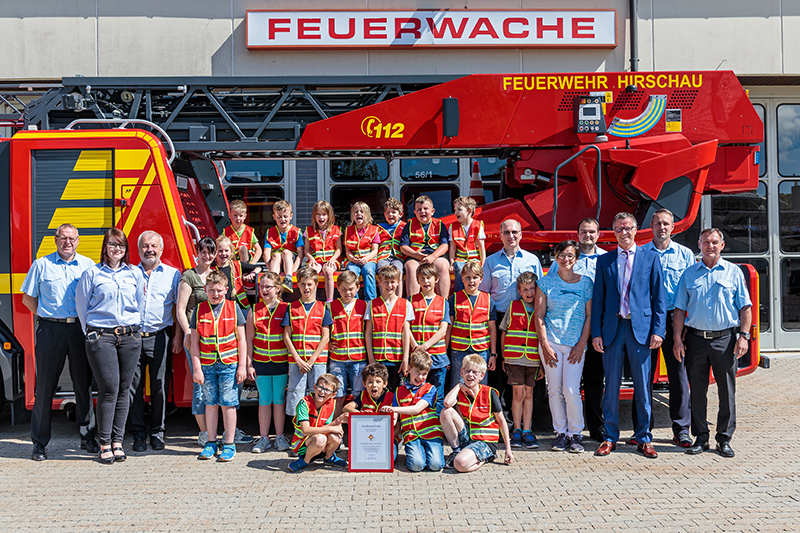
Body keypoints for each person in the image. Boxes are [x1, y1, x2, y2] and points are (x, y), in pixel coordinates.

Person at [591, 213, 666, 459]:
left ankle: (644, 438)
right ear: (613, 231)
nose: (624, 233)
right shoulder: (605, 261)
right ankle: (610, 437)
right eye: (619, 229)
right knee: (610, 386)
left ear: (636, 230)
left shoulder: (651, 258)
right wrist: (596, 333)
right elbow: (599, 300)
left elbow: (659, 299)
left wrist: (658, 330)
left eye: (628, 228)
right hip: (613, 329)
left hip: (641, 330)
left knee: (643, 387)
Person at [22, 223, 98, 461]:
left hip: (79, 328)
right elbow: (28, 299)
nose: (68, 242)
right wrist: (46, 317)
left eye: (72, 238)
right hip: (51, 329)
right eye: (63, 238)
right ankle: (40, 444)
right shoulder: (41, 265)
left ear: (78, 240)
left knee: (83, 385)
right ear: (56, 240)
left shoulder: (88, 265)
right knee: (45, 387)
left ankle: (88, 438)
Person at [673, 228, 752, 458]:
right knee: (697, 392)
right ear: (699, 244)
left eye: (714, 242)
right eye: (706, 242)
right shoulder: (689, 274)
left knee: (726, 392)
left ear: (722, 245)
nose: (710, 246)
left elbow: (745, 307)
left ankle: (724, 439)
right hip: (696, 340)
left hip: (725, 340)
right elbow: (679, 309)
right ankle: (701, 437)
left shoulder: (733, 272)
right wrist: (677, 339)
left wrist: (744, 336)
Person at [76, 228, 145, 464]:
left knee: (125, 390)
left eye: (121, 245)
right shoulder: (92, 273)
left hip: (129, 336)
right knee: (109, 389)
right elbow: (82, 306)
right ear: (105, 247)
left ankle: (118, 442)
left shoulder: (134, 273)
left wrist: (136, 329)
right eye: (113, 245)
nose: (117, 249)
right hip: (101, 337)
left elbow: (140, 303)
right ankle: (104, 443)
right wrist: (91, 334)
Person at [638, 209, 696, 448]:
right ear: (651, 226)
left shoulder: (685, 255)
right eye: (658, 223)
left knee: (679, 376)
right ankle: (643, 429)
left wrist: (684, 327)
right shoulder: (640, 254)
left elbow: (692, 291)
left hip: (676, 318)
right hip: (647, 319)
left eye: (666, 224)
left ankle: (681, 429)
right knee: (644, 377)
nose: (662, 227)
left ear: (673, 227)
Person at [479, 217, 543, 428]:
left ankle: (526, 424)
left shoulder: (532, 260)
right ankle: (502, 422)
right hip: (500, 320)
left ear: (521, 234)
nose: (511, 236)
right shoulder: (490, 261)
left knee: (529, 376)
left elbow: (540, 291)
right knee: (500, 374)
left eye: (515, 232)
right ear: (500, 236)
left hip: (528, 320)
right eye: (506, 232)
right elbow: (484, 293)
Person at [550, 218, 607, 442]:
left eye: (592, 232)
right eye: (583, 232)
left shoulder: (605, 259)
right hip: (567, 330)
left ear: (598, 234)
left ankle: (595, 427)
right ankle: (566, 429)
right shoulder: (566, 257)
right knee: (567, 383)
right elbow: (552, 288)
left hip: (596, 326)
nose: (588, 236)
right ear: (577, 233)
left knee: (594, 377)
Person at [535, 240, 593, 453]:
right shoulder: (545, 283)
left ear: (576, 259)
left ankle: (576, 433)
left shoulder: (585, 283)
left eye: (570, 255)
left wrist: (581, 345)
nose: (565, 259)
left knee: (571, 390)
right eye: (562, 254)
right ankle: (560, 433)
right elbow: (539, 316)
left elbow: (588, 317)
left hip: (574, 346)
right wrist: (545, 345)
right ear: (555, 256)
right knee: (554, 390)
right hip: (551, 344)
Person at [129, 231, 182, 453]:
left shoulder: (173, 275)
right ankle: (138, 435)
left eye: (153, 246)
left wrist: (178, 337)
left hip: (160, 336)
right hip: (131, 338)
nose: (149, 249)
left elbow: (178, 308)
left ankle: (157, 433)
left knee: (160, 386)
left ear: (161, 249)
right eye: (144, 246)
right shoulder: (129, 273)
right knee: (134, 388)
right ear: (139, 249)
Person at [191, 270, 247, 462]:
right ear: (205, 290)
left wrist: (242, 366)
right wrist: (197, 368)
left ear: (226, 290)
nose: (215, 294)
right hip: (207, 366)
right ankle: (211, 442)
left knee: (229, 404)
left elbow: (242, 339)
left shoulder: (233, 308)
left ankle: (229, 444)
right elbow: (195, 343)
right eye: (211, 290)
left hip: (229, 365)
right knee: (210, 403)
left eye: (219, 290)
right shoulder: (199, 310)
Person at [441, 354, 514, 472]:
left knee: (460, 464)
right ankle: (456, 450)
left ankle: (486, 458)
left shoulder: (489, 393)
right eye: (467, 371)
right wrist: (459, 385)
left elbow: (502, 422)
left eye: (475, 372)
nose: (470, 375)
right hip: (469, 437)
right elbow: (447, 403)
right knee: (446, 412)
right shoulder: (460, 392)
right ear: (461, 372)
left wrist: (508, 450)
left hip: (485, 441)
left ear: (481, 376)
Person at [175, 236, 215, 446]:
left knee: (214, 385)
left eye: (211, 252)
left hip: (215, 341)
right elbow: (180, 310)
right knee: (200, 386)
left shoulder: (215, 276)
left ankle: (215, 430)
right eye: (203, 252)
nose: (207, 256)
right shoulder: (189, 276)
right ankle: (204, 432)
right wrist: (188, 334)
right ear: (196, 253)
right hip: (196, 341)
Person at [246, 272, 292, 453]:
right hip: (261, 362)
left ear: (278, 288)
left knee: (279, 399)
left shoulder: (286, 308)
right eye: (261, 287)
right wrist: (249, 364)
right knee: (264, 400)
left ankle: (280, 436)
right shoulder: (253, 310)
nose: (264, 290)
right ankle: (264, 438)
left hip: (281, 362)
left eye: (268, 287)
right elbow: (249, 340)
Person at [381, 349, 445, 472]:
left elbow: (416, 409)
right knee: (416, 466)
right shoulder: (399, 392)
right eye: (417, 372)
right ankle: (416, 454)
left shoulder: (430, 389)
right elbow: (395, 417)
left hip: (431, 434)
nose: (420, 377)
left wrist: (392, 408)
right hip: (411, 435)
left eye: (424, 374)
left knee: (435, 465)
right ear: (409, 369)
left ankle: (426, 454)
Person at [498, 272, 541, 449]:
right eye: (525, 289)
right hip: (514, 358)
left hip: (533, 359)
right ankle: (516, 429)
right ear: (519, 291)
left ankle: (527, 430)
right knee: (518, 394)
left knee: (529, 394)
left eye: (532, 289)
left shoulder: (541, 307)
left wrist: (544, 364)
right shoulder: (513, 306)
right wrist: (503, 356)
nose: (529, 293)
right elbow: (504, 332)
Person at [283, 266, 332, 419]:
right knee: (296, 396)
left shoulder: (323, 308)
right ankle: (298, 432)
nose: (306, 288)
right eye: (303, 284)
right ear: (297, 285)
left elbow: (326, 337)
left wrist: (311, 360)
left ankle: (315, 428)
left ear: (316, 285)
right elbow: (286, 336)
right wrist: (298, 360)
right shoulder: (291, 308)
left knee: (318, 395)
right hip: (297, 362)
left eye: (310, 284)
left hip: (317, 362)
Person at [448, 260, 497, 389]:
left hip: (481, 350)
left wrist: (493, 354)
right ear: (462, 279)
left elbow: (492, 329)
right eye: (468, 277)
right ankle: (457, 410)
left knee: (479, 387)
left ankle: (477, 410)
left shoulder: (488, 299)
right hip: (459, 350)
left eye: (475, 277)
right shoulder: (454, 298)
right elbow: (449, 328)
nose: (471, 281)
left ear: (481, 279)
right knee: (457, 386)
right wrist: (444, 352)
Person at [365, 265, 414, 391]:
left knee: (397, 392)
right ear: (379, 282)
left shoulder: (406, 304)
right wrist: (371, 358)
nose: (389, 285)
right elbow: (369, 332)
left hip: (397, 359)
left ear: (398, 282)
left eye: (392, 282)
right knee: (380, 393)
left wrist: (405, 359)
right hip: (378, 358)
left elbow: (406, 333)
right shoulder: (372, 304)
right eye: (386, 282)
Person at [409, 263, 450, 414]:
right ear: (417, 281)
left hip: (437, 356)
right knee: (417, 394)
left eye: (429, 278)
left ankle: (436, 427)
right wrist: (416, 347)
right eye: (422, 278)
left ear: (437, 279)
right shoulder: (410, 301)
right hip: (417, 356)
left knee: (438, 396)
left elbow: (443, 329)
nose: (426, 282)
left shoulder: (443, 302)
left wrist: (424, 346)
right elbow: (406, 327)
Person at [288, 373, 348, 472]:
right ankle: (304, 461)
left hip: (317, 439)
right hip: (302, 442)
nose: (323, 392)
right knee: (321, 439)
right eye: (320, 387)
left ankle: (328, 458)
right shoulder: (304, 404)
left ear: (333, 395)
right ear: (315, 387)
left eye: (327, 390)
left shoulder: (332, 404)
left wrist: (338, 421)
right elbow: (306, 430)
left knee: (336, 437)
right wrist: (331, 428)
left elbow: (324, 426)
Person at [328, 270, 368, 417]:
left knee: (359, 396)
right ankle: (336, 428)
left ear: (357, 288)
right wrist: (327, 344)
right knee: (338, 395)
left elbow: (369, 332)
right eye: (343, 289)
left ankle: (359, 428)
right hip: (337, 360)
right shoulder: (331, 307)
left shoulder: (363, 306)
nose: (347, 292)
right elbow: (323, 330)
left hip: (358, 359)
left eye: (351, 289)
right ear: (337, 288)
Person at [399, 195, 451, 298]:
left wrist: (433, 256)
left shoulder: (440, 225)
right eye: (419, 209)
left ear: (432, 211)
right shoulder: (409, 225)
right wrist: (416, 255)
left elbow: (445, 245)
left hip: (435, 256)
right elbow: (403, 247)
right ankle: (412, 303)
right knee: (411, 267)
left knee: (443, 265)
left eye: (425, 208)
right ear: (414, 212)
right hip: (415, 256)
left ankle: (443, 303)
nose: (422, 211)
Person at [304, 200, 342, 302]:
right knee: (313, 273)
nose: (321, 218)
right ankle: (312, 300)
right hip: (316, 261)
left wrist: (333, 259)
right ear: (314, 216)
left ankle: (329, 301)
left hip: (331, 260)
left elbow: (339, 249)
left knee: (328, 272)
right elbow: (306, 250)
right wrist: (311, 259)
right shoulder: (309, 230)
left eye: (324, 214)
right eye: (318, 214)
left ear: (329, 216)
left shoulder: (336, 230)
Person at [264, 200, 304, 293]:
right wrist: (269, 267)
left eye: (285, 216)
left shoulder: (296, 232)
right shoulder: (270, 232)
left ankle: (288, 279)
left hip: (291, 263)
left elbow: (300, 252)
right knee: (276, 255)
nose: (283, 219)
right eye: (279, 217)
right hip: (276, 263)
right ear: (274, 217)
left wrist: (294, 269)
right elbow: (266, 253)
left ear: (291, 216)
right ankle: (273, 281)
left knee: (286, 252)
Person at [343, 201, 380, 302]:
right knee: (351, 274)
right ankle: (354, 302)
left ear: (367, 215)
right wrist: (352, 259)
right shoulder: (348, 230)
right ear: (352, 216)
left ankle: (370, 301)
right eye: (356, 212)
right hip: (353, 261)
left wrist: (366, 259)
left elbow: (375, 250)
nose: (358, 214)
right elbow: (348, 251)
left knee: (368, 272)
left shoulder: (374, 229)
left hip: (368, 260)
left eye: (362, 212)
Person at [448, 196, 486, 293]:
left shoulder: (478, 225)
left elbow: (481, 247)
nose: (456, 212)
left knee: (475, 272)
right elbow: (452, 247)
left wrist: (483, 263)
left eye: (459, 209)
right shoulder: (452, 227)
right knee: (460, 269)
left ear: (469, 211)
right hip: (460, 259)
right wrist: (452, 263)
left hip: (475, 259)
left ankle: (476, 294)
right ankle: (459, 295)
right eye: (455, 209)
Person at [214, 235, 260, 311]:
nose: (223, 253)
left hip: (239, 306)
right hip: (219, 306)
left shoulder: (237, 265)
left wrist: (252, 273)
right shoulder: (212, 268)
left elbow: (259, 267)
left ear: (231, 251)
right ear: (215, 252)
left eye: (226, 250)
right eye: (220, 251)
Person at [376, 197, 406, 297]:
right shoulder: (378, 228)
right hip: (383, 256)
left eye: (394, 212)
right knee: (382, 272)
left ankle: (398, 299)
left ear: (400, 214)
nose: (390, 215)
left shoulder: (405, 226)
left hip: (398, 257)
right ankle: (384, 298)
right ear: (384, 214)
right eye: (388, 212)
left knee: (398, 272)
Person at [223, 199, 263, 264]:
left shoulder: (249, 231)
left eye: (240, 216)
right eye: (235, 215)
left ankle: (244, 271)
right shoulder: (225, 232)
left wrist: (252, 264)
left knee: (243, 249)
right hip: (231, 262)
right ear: (229, 215)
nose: (238, 218)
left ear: (245, 216)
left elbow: (259, 250)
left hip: (246, 261)